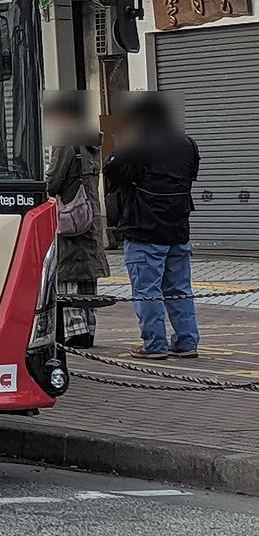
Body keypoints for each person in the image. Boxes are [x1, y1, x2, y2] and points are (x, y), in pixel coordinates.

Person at [103, 94, 201, 360]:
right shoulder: (187, 144)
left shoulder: (138, 145)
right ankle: (187, 341)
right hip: (178, 229)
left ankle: (154, 345)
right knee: (180, 289)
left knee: (147, 291)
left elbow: (112, 170)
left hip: (144, 228)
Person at [44, 95, 107, 348]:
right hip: (90, 217)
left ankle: (74, 332)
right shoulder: (92, 143)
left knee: (68, 275)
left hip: (70, 218)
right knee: (86, 279)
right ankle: (88, 330)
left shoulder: (65, 142)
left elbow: (53, 181)